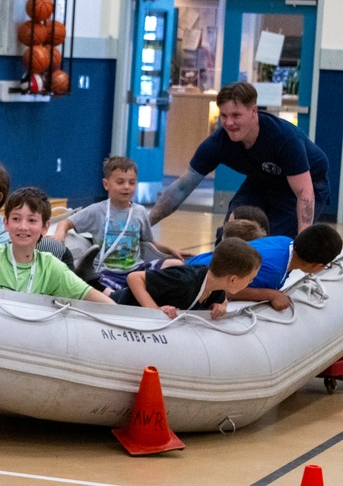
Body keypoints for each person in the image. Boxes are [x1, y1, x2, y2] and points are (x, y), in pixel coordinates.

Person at [150, 82, 329, 239]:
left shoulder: (283, 138)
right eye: (224, 116)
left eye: (236, 115)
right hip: (260, 182)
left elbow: (304, 193)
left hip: (303, 187)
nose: (228, 123)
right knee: (231, 234)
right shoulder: (218, 143)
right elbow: (181, 188)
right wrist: (144, 223)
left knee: (274, 244)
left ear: (253, 111)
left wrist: (303, 238)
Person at [0, 186, 114, 304]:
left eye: (32, 220)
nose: (23, 227)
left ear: (44, 227)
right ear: (6, 223)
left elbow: (97, 299)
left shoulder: (51, 267)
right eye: (16, 219)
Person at [53, 156, 183, 290]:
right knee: (106, 294)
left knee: (176, 264)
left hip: (137, 270)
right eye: (120, 182)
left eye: (132, 182)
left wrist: (170, 250)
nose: (126, 187)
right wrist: (59, 234)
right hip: (107, 274)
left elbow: (150, 243)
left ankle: (136, 291)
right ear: (106, 184)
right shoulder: (96, 210)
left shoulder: (140, 211)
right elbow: (66, 222)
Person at [185, 222, 342, 311]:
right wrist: (270, 294)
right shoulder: (272, 270)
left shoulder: (285, 242)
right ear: (316, 265)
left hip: (193, 266)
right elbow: (225, 288)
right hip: (190, 282)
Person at [111, 238, 262, 319]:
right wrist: (154, 311)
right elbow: (134, 278)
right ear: (233, 279)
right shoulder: (184, 281)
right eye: (250, 278)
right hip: (117, 304)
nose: (251, 282)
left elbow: (222, 299)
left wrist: (221, 305)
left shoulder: (216, 287)